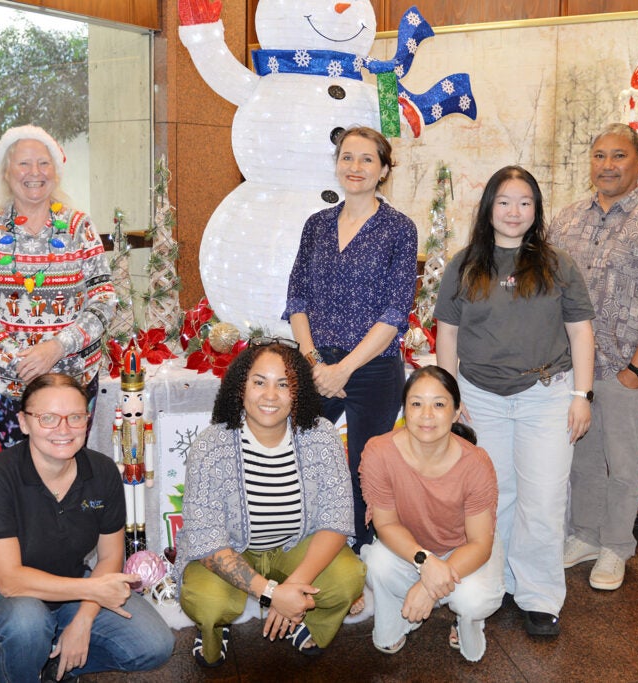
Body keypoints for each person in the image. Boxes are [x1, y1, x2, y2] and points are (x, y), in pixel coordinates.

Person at [434, 166, 596, 637]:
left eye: (524, 202)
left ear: (536, 210)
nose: (513, 212)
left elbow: (581, 332)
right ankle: (499, 581)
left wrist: (581, 395)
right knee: (494, 496)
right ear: (489, 208)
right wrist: (451, 394)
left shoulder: (557, 264)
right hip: (481, 397)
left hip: (545, 396)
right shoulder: (465, 264)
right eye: (504, 201)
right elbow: (448, 332)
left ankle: (540, 596)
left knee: (543, 499)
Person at [0, 373, 174, 681]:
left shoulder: (102, 471)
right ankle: (27, 664)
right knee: (28, 622)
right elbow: (10, 582)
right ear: (24, 421)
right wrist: (93, 590)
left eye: (75, 417)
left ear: (87, 419)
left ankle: (52, 664)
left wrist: (84, 619)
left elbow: (110, 557)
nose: (63, 429)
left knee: (154, 644)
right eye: (47, 418)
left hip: (70, 594)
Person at [550, 124, 638, 593]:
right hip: (571, 370)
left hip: (623, 369)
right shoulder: (566, 220)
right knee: (583, 459)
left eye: (618, 157)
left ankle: (616, 547)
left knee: (624, 463)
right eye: (600, 156)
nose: (607, 165)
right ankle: (585, 536)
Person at [175, 340, 365, 667]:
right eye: (259, 382)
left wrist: (290, 591)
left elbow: (337, 520)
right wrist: (272, 593)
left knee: (348, 578)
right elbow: (205, 541)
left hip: (295, 548)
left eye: (284, 384)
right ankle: (214, 629)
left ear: (299, 392)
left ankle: (304, 622)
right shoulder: (212, 445)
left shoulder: (321, 436)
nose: (270, 395)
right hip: (232, 550)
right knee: (208, 602)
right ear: (240, 387)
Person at [283, 125, 418, 551]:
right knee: (302, 459)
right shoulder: (316, 225)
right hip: (315, 365)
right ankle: (302, 547)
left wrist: (345, 368)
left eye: (366, 159)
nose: (355, 167)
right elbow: (297, 296)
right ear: (336, 164)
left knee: (367, 471)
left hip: (373, 370)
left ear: (383, 170)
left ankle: (362, 556)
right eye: (347, 157)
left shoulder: (399, 228)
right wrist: (312, 361)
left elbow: (396, 312)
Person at [0, 125, 115, 448]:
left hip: (74, 381)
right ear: (5, 171)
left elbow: (103, 300)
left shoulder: (78, 226)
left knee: (67, 470)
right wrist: (17, 358)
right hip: (9, 382)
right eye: (24, 163)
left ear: (56, 173)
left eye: (43, 164)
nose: (35, 173)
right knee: (21, 479)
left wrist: (57, 347)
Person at [360, 366, 505, 662]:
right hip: (412, 549)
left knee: (474, 599)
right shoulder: (379, 451)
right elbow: (384, 523)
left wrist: (428, 588)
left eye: (439, 404)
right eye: (416, 404)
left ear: (456, 413)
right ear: (404, 410)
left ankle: (464, 621)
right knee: (376, 561)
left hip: (464, 550)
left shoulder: (476, 463)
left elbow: (480, 543)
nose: (426, 414)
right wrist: (424, 562)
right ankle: (397, 621)